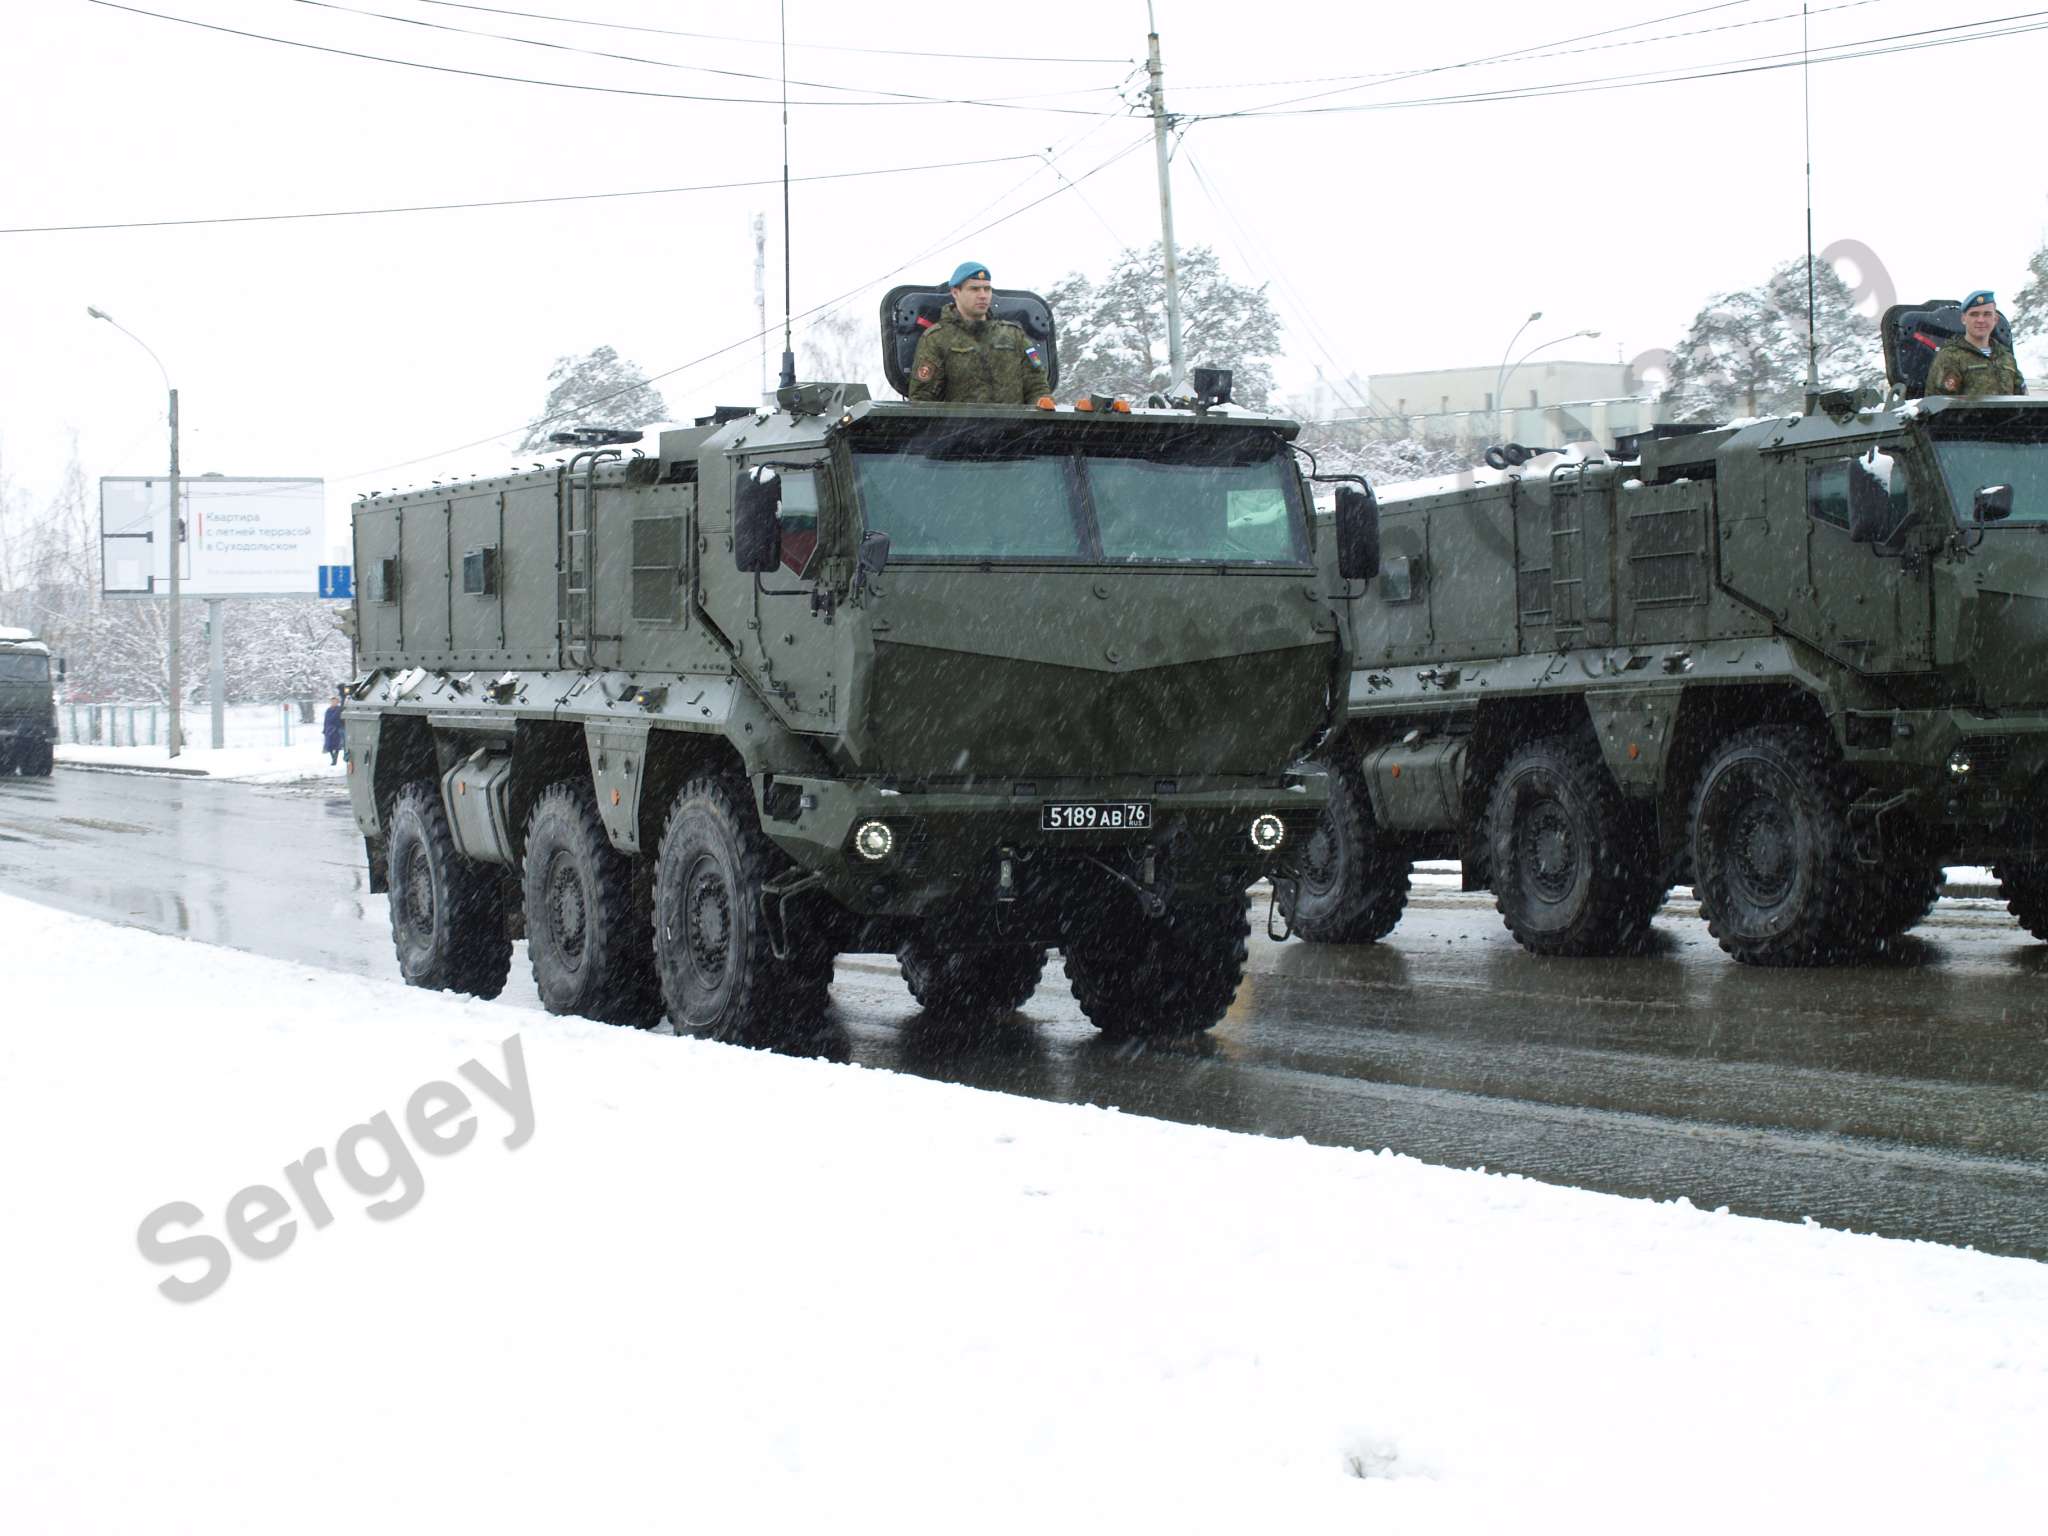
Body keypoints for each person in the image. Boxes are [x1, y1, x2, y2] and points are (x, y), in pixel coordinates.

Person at [908, 260, 1048, 404]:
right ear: (955, 292)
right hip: (959, 426)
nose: (983, 295)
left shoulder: (1014, 335)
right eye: (974, 289)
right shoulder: (936, 339)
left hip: (1015, 425)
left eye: (987, 289)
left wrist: (1041, 409)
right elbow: (923, 398)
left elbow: (1037, 386)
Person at [1925, 290, 2026, 398]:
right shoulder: (1951, 356)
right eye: (1974, 314)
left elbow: (2022, 400)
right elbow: (1938, 405)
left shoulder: (2006, 357)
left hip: (2009, 415)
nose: (1980, 320)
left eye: (1987, 314)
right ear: (1964, 319)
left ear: (1995, 319)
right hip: (1967, 415)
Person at [322, 695, 343, 766]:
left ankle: (335, 759)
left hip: (336, 729)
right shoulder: (328, 710)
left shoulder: (339, 709)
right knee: (329, 745)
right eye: (332, 701)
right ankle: (333, 758)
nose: (333, 703)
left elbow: (337, 719)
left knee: (337, 745)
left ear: (337, 702)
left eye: (335, 701)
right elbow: (326, 720)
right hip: (329, 729)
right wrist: (324, 729)